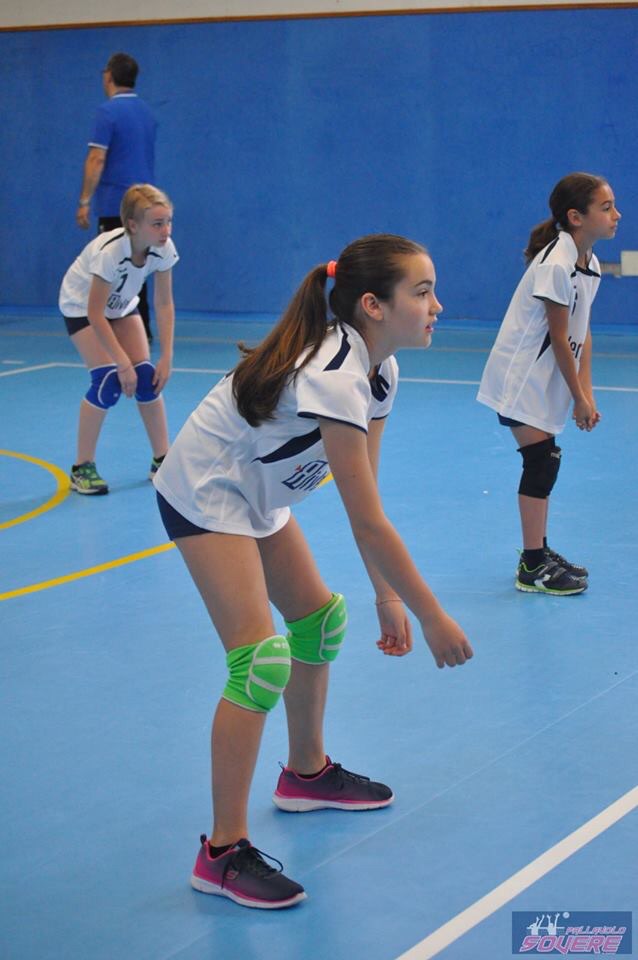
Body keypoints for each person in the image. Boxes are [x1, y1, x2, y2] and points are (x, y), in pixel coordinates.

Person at [153, 234, 474, 909]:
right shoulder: (334, 374)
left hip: (258, 492)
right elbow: (367, 524)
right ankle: (221, 853)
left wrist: (385, 595)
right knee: (259, 662)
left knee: (320, 621)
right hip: (207, 491)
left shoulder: (380, 371)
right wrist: (430, 614)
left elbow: (368, 499)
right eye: (422, 292)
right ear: (373, 305)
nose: (437, 305)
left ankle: (305, 775)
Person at [477, 172, 621, 595]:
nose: (617, 215)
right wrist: (578, 398)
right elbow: (559, 339)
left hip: (544, 379)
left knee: (544, 461)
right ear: (576, 217)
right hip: (520, 379)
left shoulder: (588, 262)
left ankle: (538, 551)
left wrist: (586, 394)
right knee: (542, 462)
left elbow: (582, 331)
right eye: (606, 208)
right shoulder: (556, 265)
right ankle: (532, 565)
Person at [60, 183, 178, 495]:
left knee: (147, 378)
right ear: (133, 225)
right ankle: (81, 467)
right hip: (82, 307)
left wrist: (167, 355)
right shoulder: (110, 253)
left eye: (168, 222)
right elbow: (95, 313)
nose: (166, 230)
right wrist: (122, 362)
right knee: (108, 380)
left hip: (121, 305)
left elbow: (163, 303)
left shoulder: (164, 247)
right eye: (157, 224)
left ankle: (162, 461)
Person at [76, 52, 157, 341]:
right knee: (137, 267)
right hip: (146, 204)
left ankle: (114, 331)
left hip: (116, 204)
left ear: (109, 76)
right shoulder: (147, 113)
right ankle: (141, 329)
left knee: (110, 268)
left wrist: (85, 200)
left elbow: (96, 158)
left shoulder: (107, 112)